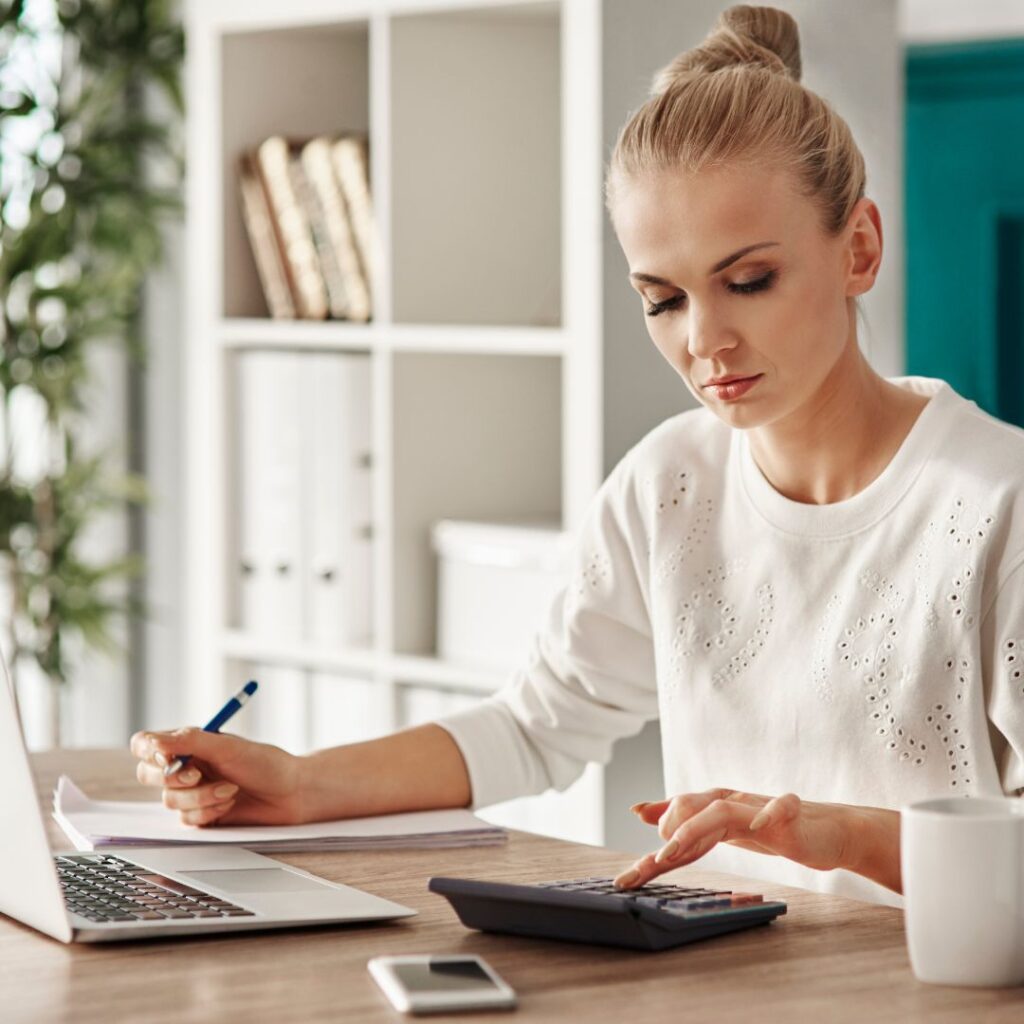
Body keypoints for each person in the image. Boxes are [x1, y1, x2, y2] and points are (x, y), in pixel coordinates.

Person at [131, 5, 1024, 908]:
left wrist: (832, 834)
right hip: (727, 989)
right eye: (662, 299)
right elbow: (533, 726)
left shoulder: (998, 504)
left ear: (859, 248)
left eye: (748, 281)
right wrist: (298, 783)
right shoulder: (668, 486)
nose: (705, 339)